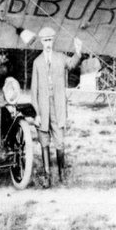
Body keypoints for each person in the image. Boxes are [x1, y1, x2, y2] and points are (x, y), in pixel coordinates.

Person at [31, 27, 82, 188]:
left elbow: (72, 64)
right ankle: (46, 177)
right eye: (45, 40)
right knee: (44, 142)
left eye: (50, 40)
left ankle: (62, 175)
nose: (48, 43)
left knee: (60, 142)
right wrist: (37, 113)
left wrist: (78, 51)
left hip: (57, 108)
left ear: (53, 41)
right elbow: (33, 92)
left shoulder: (60, 58)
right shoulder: (37, 63)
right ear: (41, 42)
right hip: (43, 108)